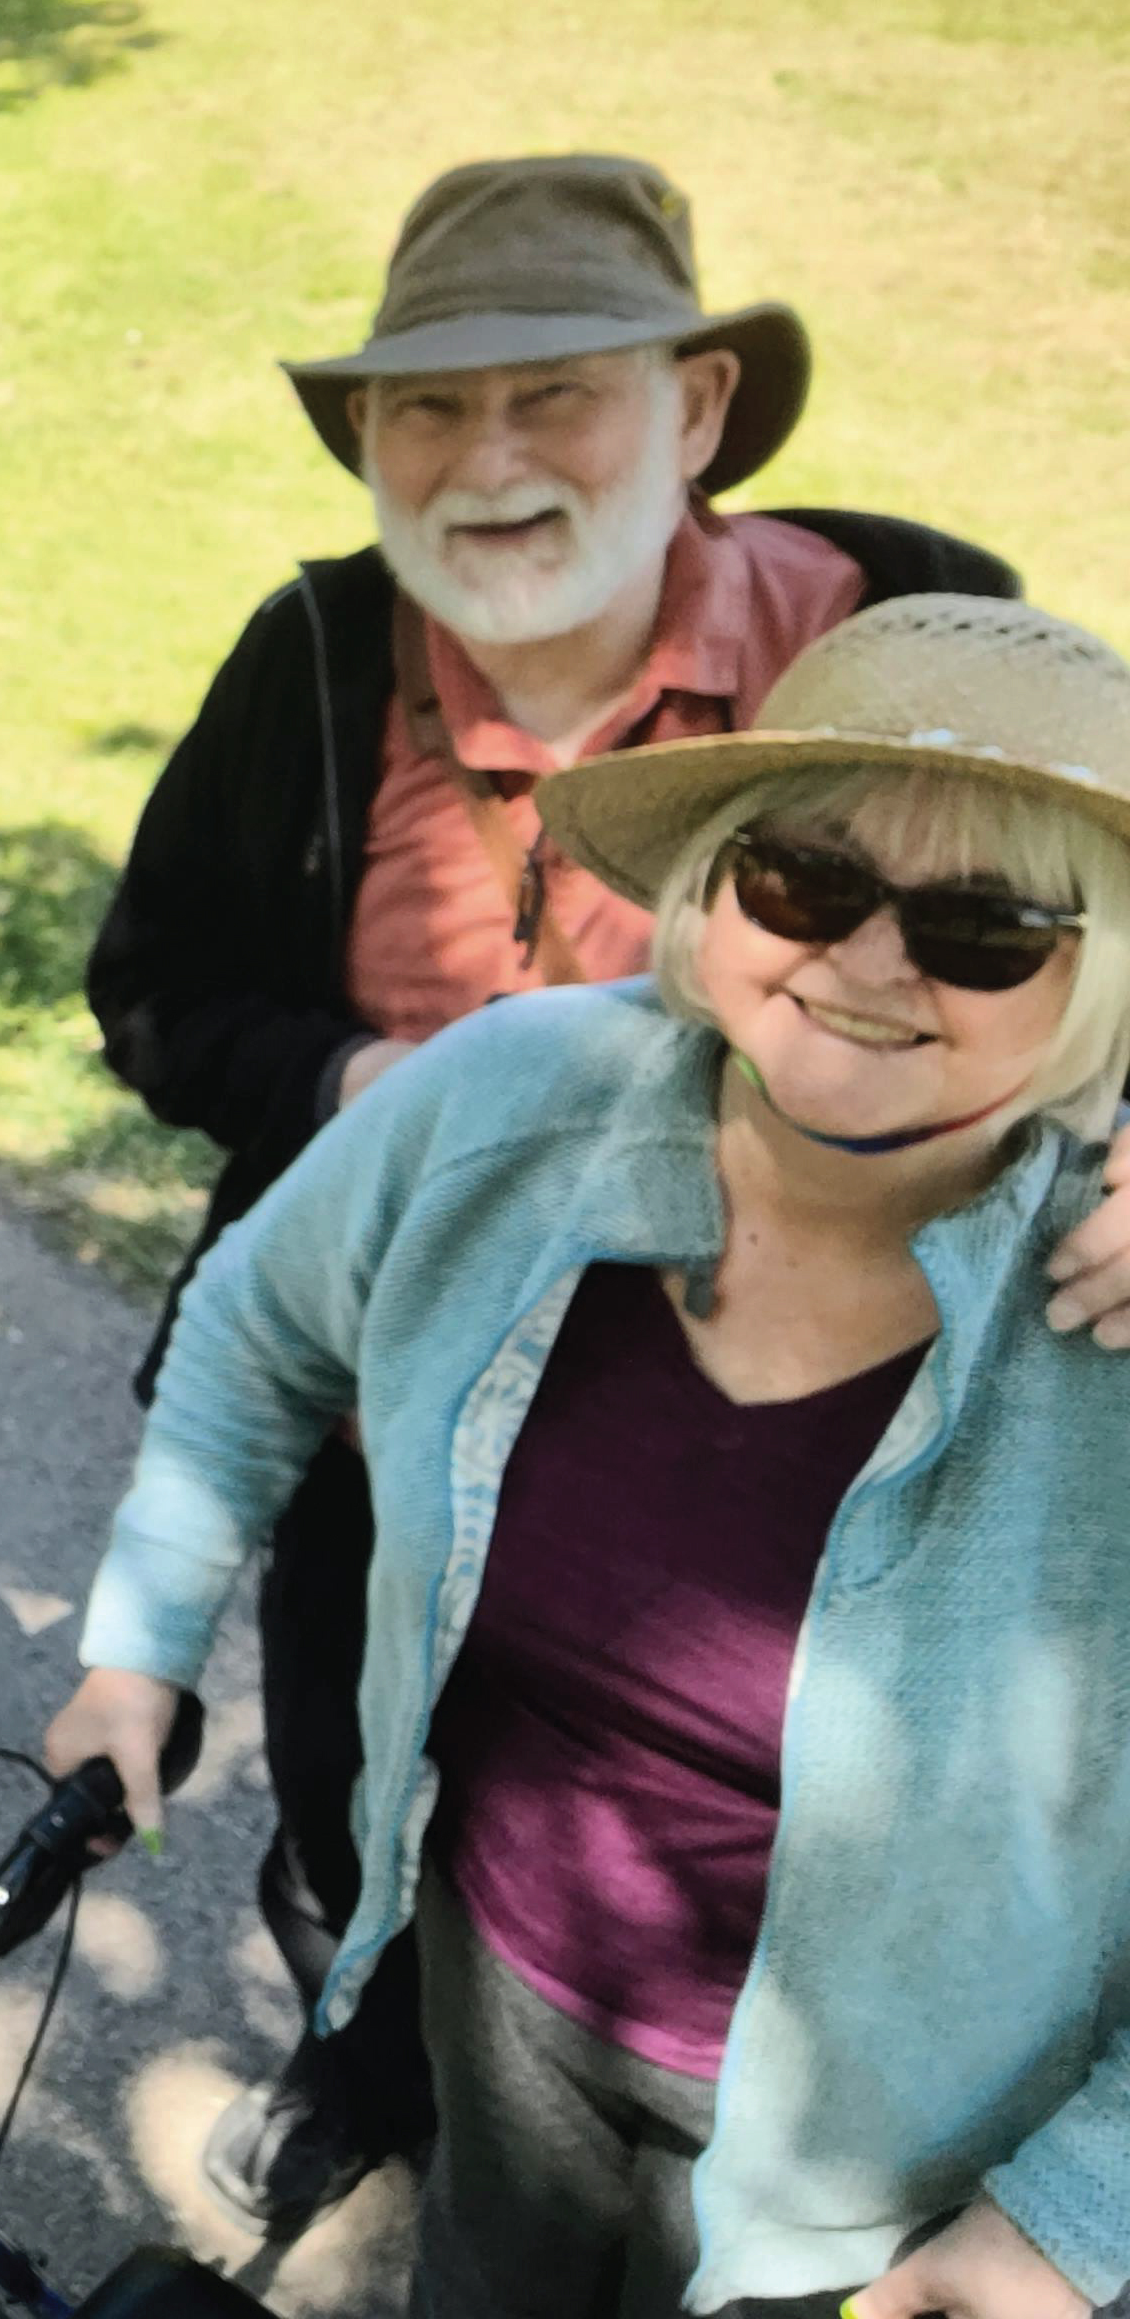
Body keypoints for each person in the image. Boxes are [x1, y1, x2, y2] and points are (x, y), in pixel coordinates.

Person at [79, 153, 1130, 2230]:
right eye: (428, 411)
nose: (489, 462)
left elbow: (1065, 922)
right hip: (402, 1351)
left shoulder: (897, 624)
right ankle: (371, 2065)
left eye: (552, 391)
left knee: (793, 1791)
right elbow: (152, 993)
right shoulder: (306, 656)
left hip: (851, 1406)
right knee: (373, 1760)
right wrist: (361, 1084)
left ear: (699, 412)